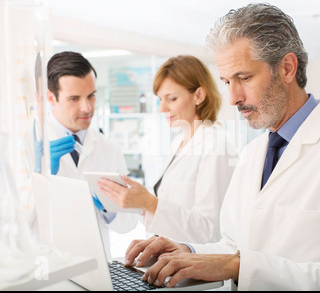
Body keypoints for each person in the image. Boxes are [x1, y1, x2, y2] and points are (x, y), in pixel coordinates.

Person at [122, 3, 320, 290]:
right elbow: (233, 245)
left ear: (287, 68)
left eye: (244, 78)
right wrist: (187, 252)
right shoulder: (254, 153)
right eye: (227, 81)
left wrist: (237, 265)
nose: (233, 97)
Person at [97, 55, 238, 244]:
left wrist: (150, 203)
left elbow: (211, 231)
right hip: (170, 260)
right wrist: (138, 203)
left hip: (198, 267)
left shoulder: (217, 148)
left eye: (171, 98)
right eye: (160, 99)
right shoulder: (178, 144)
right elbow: (171, 213)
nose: (162, 108)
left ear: (198, 96)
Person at [45, 51, 139, 258]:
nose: (87, 107)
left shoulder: (109, 149)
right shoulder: (32, 145)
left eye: (91, 96)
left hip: (97, 267)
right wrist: (40, 176)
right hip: (49, 268)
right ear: (51, 98)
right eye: (74, 99)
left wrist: (110, 207)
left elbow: (129, 224)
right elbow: (12, 221)